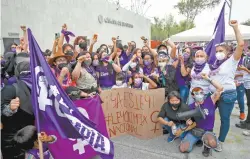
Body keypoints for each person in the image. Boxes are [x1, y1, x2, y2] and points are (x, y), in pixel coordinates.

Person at [208, 20, 244, 152]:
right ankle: (208, 137)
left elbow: (241, 44)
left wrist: (235, 27)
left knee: (224, 119)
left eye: (221, 50)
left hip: (227, 95)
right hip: (213, 94)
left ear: (228, 52)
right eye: (216, 51)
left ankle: (220, 141)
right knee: (209, 116)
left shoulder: (232, 61)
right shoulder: (214, 64)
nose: (218, 53)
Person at [179, 73, 223, 157]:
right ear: (192, 95)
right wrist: (187, 121)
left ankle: (207, 145)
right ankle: (197, 140)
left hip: (207, 131)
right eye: (196, 93)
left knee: (213, 144)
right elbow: (187, 119)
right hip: (195, 131)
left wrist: (208, 78)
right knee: (183, 149)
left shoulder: (210, 101)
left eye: (201, 92)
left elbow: (220, 88)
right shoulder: (190, 107)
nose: (200, 94)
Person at [1, 61, 35, 159]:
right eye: (25, 72)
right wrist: (10, 109)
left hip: (32, 137)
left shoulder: (40, 90)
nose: (29, 75)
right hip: (13, 139)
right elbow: (1, 111)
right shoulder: (11, 89)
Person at [235, 47, 250, 130]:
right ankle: (247, 121)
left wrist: (243, 70)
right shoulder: (234, 59)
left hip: (244, 82)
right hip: (242, 82)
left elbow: (246, 71)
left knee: (243, 100)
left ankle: (245, 118)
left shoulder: (245, 59)